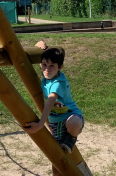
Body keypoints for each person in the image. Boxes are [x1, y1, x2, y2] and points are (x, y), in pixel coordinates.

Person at [23, 41, 84, 176]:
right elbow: (45, 62)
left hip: (70, 116)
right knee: (57, 163)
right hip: (56, 124)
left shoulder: (58, 83)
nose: (46, 69)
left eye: (52, 66)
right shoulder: (48, 72)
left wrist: (40, 124)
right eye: (44, 65)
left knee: (74, 123)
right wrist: (39, 46)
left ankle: (72, 138)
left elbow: (50, 101)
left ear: (60, 67)